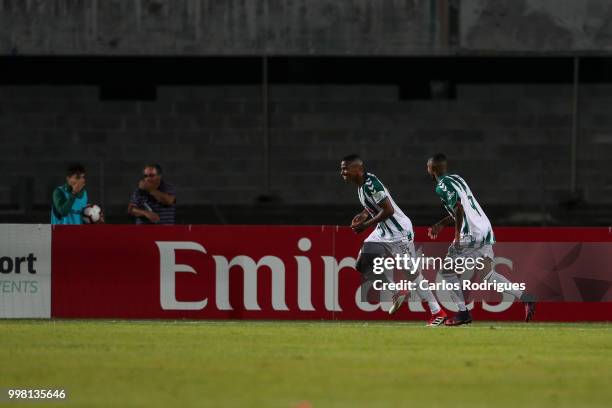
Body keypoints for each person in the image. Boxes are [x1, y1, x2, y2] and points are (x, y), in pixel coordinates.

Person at [426, 153, 536, 325]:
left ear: (432, 169)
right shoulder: (457, 179)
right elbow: (460, 209)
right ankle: (526, 297)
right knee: (488, 275)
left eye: (428, 167)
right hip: (484, 228)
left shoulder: (441, 186)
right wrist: (441, 223)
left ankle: (463, 313)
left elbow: (459, 208)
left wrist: (456, 236)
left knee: (447, 272)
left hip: (470, 234)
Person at [340, 154, 447, 326]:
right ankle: (397, 291)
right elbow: (374, 205)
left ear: (358, 169)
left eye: (346, 168)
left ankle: (438, 313)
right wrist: (364, 214)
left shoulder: (370, 185)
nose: (342, 172)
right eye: (342, 168)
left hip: (399, 232)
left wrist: (365, 225)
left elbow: (388, 210)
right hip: (383, 231)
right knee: (362, 263)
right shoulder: (362, 185)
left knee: (412, 275)